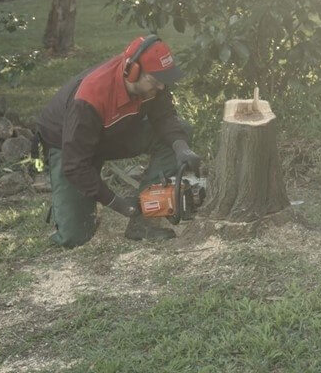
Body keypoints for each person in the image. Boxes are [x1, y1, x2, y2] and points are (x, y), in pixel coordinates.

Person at [36, 35, 201, 247]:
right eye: (156, 80)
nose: (161, 88)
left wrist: (181, 147)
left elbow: (164, 116)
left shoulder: (153, 83)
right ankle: (68, 201)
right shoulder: (90, 98)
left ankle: (143, 221)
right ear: (132, 72)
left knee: (178, 134)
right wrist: (118, 203)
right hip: (68, 142)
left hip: (112, 130)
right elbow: (75, 165)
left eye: (164, 80)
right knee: (74, 237)